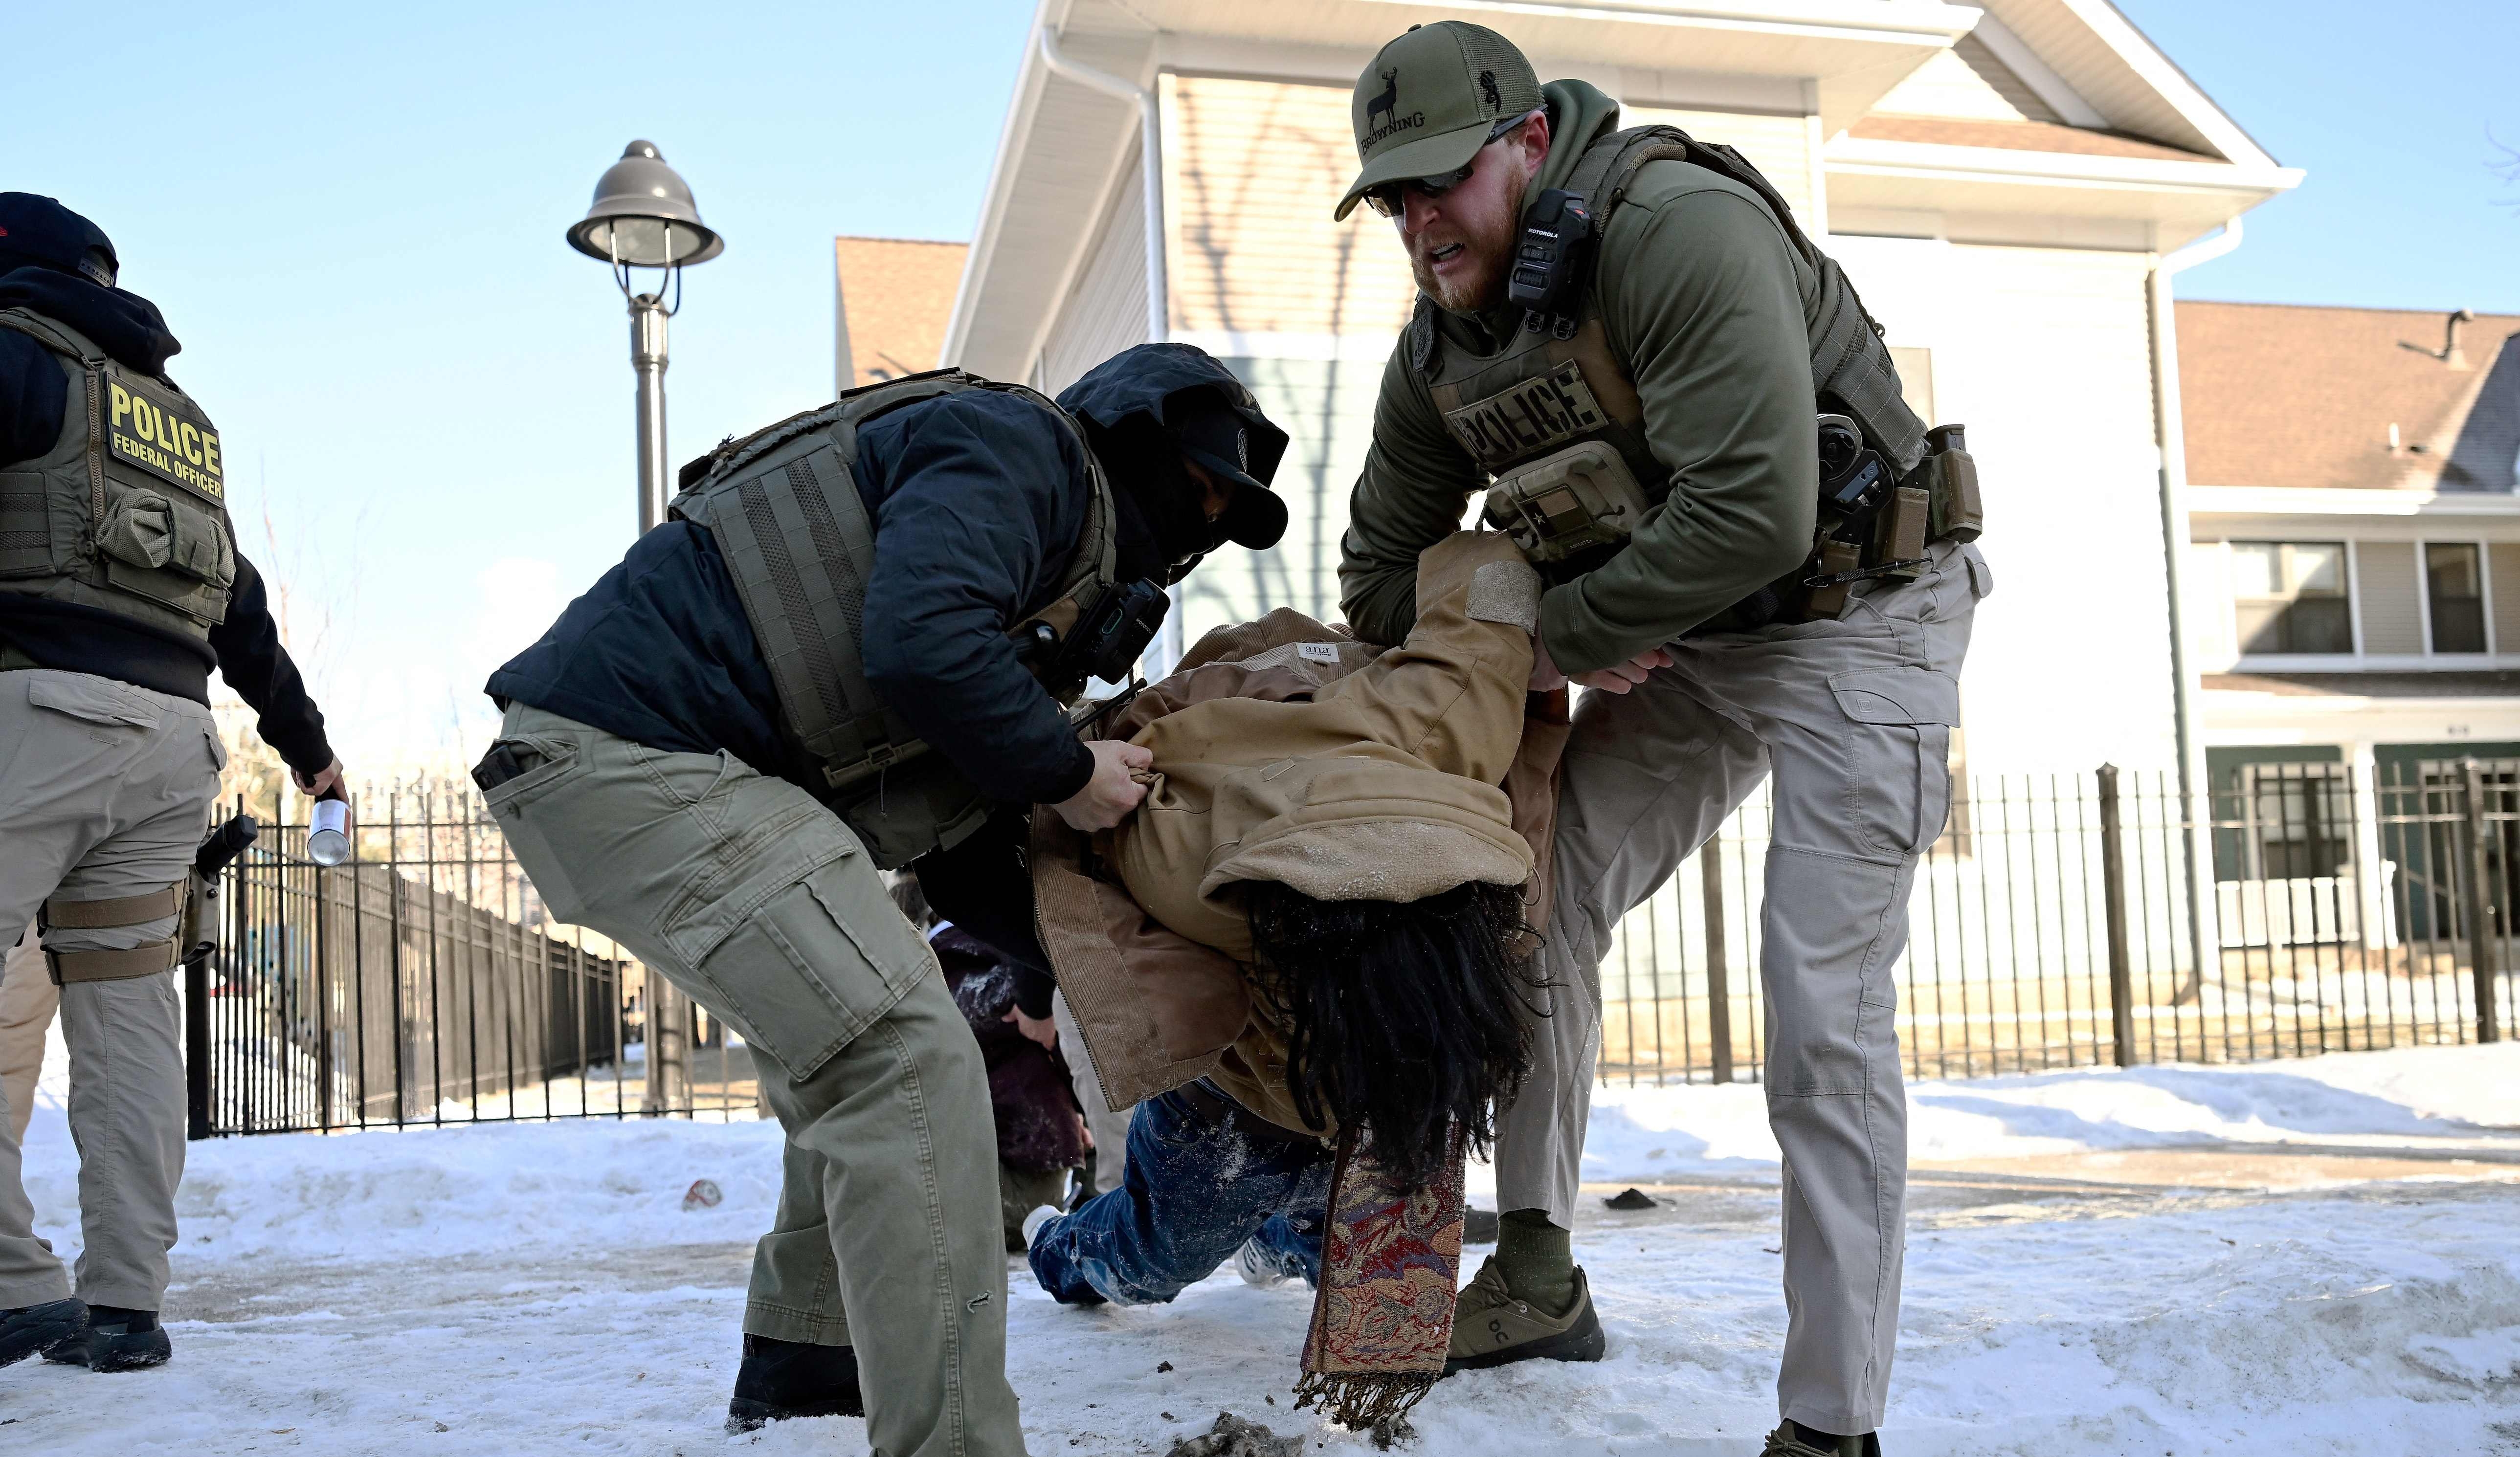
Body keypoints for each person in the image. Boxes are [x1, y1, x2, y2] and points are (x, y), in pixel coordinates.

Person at [1332, 24, 1991, 1457]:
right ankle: (1536, 1273)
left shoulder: (1673, 228)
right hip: (1692, 643)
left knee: (1818, 1008)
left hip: (1863, 618)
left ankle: (1831, 1422)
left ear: (1528, 142)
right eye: (1392, 197)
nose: (1421, 221)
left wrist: (1560, 636)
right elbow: (1375, 579)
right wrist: (1537, 618)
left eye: (1443, 180)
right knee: (1530, 897)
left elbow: (1754, 508)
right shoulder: (1438, 356)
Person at [476, 342, 1287, 1454]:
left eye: (1221, 513)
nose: (1198, 527)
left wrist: (1103, 957)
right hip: (632, 752)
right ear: (1131, 435)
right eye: (1195, 488)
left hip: (656, 765)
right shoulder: (1025, 450)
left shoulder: (1036, 551)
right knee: (903, 1057)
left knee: (850, 1043)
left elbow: (958, 847)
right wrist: (1068, 767)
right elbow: (921, 646)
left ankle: (809, 1364)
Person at [1025, 530, 1557, 1336]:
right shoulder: (1186, 858)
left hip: (1343, 742)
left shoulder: (1448, 738)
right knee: (1150, 1259)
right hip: (1232, 1101)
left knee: (1342, 1241)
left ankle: (1287, 1236)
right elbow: (1063, 855)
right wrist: (1072, 769)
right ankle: (1058, 1245)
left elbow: (1487, 596)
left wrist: (1575, 634)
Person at [0, 194, 344, 1375]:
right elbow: (244, 611)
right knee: (129, 1017)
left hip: (35, 711)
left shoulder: (15, 357)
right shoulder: (172, 419)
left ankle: (14, 1287)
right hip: (172, 742)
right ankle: (125, 1305)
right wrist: (310, 749)